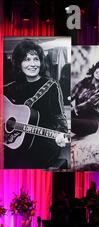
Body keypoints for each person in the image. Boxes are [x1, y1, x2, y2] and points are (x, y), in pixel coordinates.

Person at [4, 39, 68, 169]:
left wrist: (62, 133)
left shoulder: (51, 85)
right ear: (19, 63)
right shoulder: (10, 88)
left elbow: (60, 116)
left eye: (35, 59)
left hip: (43, 143)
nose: (32, 64)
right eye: (26, 59)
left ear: (41, 62)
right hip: (14, 141)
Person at [71, 60, 99, 137]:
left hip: (90, 121)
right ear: (95, 68)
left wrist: (72, 110)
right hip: (77, 116)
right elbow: (71, 96)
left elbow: (88, 103)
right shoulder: (83, 82)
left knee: (68, 122)